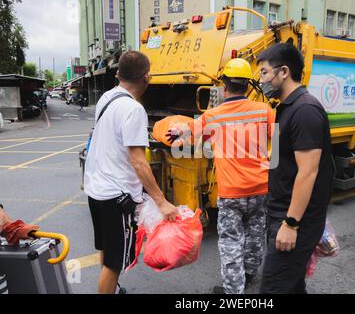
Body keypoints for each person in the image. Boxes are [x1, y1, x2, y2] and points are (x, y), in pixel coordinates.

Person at [167, 58, 275, 294]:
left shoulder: (213, 116)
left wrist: (176, 132)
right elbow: (278, 141)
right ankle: (249, 273)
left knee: (230, 241)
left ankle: (233, 290)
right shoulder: (264, 111)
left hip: (231, 193)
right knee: (255, 234)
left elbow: (189, 135)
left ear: (224, 85)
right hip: (261, 188)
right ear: (248, 85)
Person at [84, 51, 179, 294]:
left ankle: (111, 289)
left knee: (108, 252)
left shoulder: (107, 97)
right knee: (114, 264)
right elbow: (138, 162)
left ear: (118, 74)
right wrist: (161, 201)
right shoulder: (133, 109)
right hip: (117, 197)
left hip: (96, 191)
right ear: (147, 77)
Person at [257, 43, 334, 294]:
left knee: (273, 288)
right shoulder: (286, 108)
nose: (261, 80)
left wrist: (291, 224)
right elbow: (283, 160)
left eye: (265, 73)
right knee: (291, 286)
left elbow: (308, 172)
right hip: (280, 211)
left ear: (284, 72)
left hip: (293, 220)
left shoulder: (305, 110)